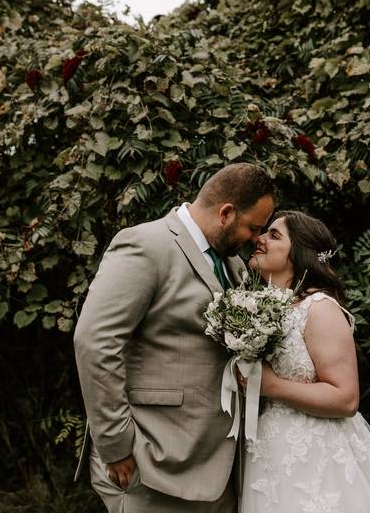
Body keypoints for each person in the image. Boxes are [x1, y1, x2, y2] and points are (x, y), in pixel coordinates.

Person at [73, 163, 275, 513]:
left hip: (218, 466)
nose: (256, 239)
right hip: (152, 461)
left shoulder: (234, 266)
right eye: (253, 227)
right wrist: (116, 445)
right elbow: (96, 342)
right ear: (226, 213)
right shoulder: (146, 245)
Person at [240, 210, 370, 512]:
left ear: (299, 253)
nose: (259, 239)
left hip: (315, 454)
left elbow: (345, 398)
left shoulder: (319, 307)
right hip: (269, 450)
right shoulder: (263, 307)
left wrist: (271, 386)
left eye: (274, 235)